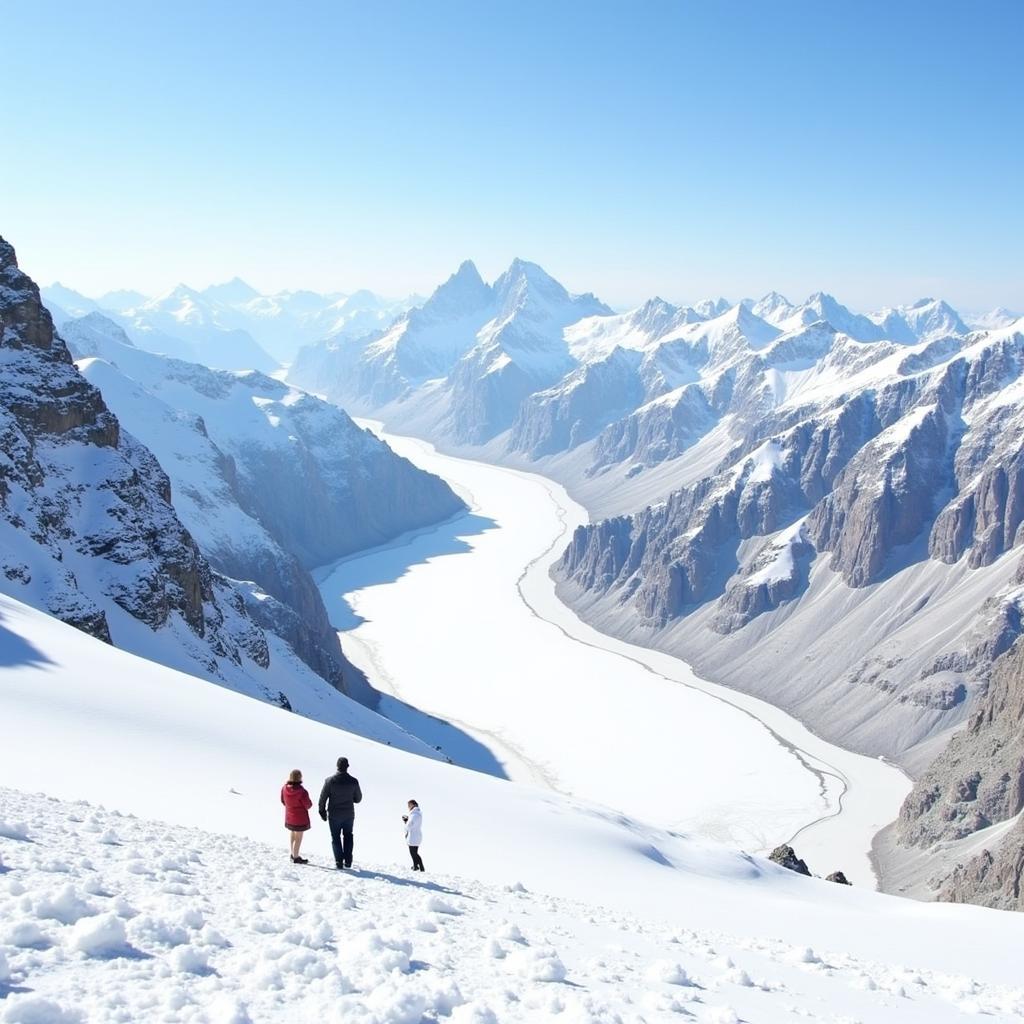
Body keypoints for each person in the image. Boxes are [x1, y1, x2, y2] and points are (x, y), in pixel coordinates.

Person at [318, 756, 362, 869]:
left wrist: (322, 811)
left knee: (336, 837)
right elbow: (358, 799)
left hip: (334, 815)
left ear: (337, 766)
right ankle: (348, 861)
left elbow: (323, 798)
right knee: (348, 836)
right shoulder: (353, 781)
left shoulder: (329, 781)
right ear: (347, 767)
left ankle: (338, 861)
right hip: (348, 815)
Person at [280, 769, 312, 864]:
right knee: (298, 837)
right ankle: (296, 856)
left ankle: (292, 853)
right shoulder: (302, 792)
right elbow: (308, 805)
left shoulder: (284, 788)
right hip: (300, 817)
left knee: (293, 833)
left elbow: (283, 801)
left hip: (289, 816)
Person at [403, 799, 424, 872]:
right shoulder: (417, 813)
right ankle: (416, 866)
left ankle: (421, 868)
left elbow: (409, 825)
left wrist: (406, 821)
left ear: (413, 805)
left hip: (413, 836)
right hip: (416, 835)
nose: (408, 807)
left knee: (413, 853)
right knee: (414, 852)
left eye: (409, 805)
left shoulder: (414, 814)